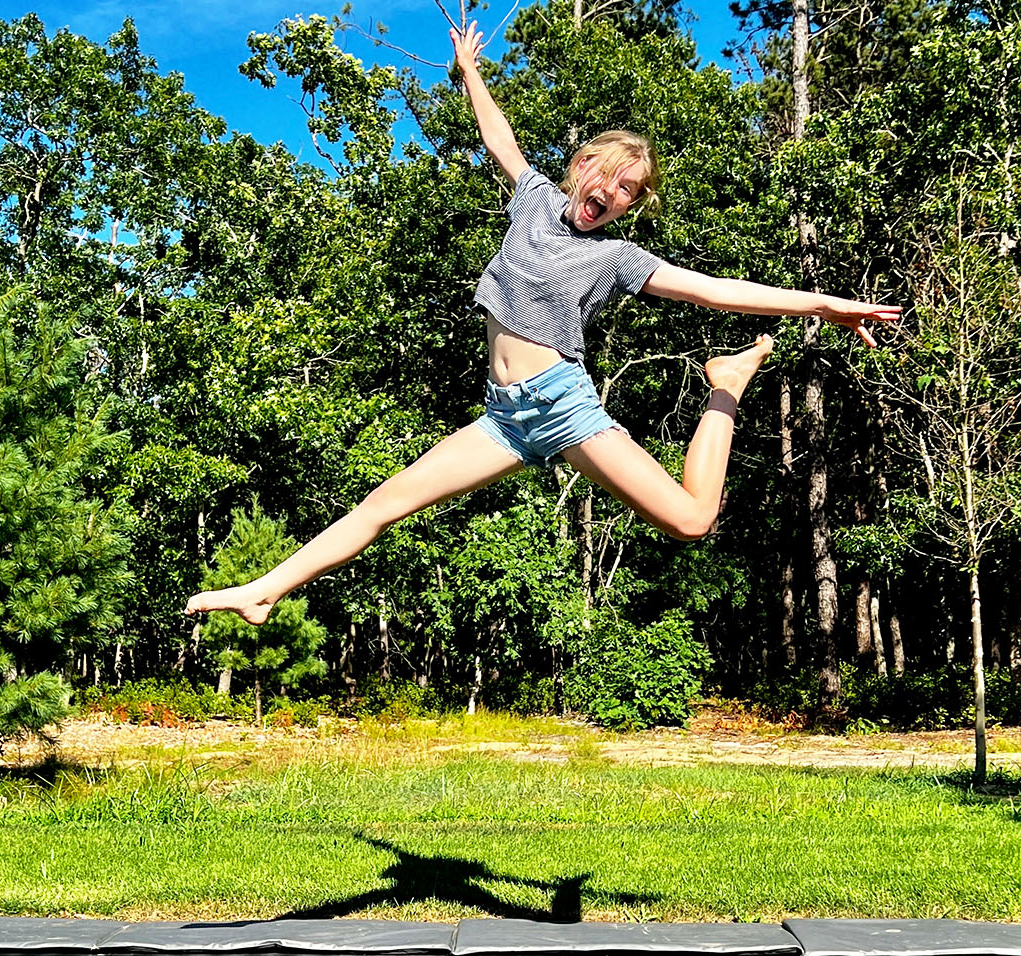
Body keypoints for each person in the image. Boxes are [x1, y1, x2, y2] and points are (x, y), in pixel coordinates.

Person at [184, 24, 900, 625]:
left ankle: (727, 386)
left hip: (563, 407)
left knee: (691, 520)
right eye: (608, 178)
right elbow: (499, 136)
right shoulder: (530, 197)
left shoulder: (617, 256)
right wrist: (469, 74)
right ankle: (265, 589)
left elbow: (713, 291)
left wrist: (824, 305)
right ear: (582, 165)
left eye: (628, 193)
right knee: (386, 503)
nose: (613, 196)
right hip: (504, 418)